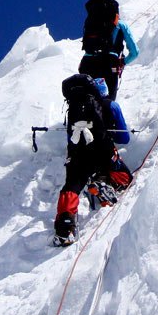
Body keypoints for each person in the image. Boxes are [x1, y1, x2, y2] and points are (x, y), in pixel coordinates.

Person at [53, 74, 133, 246]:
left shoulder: (73, 109)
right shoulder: (110, 105)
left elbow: (70, 138)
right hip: (103, 151)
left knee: (72, 186)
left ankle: (64, 228)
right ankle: (104, 183)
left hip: (76, 154)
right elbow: (125, 138)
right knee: (126, 177)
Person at [78, 7, 138, 101]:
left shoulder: (93, 22)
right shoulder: (121, 24)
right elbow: (135, 52)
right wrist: (123, 61)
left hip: (87, 62)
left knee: (85, 99)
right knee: (108, 102)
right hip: (109, 63)